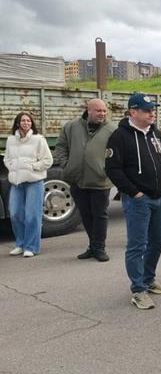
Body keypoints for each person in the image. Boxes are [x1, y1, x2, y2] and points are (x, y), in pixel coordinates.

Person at [106, 93, 161, 310]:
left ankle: (148, 278)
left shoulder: (155, 133)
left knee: (157, 241)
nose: (152, 114)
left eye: (153, 109)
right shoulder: (119, 136)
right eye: (147, 110)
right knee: (137, 245)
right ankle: (138, 289)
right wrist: (134, 192)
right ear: (133, 112)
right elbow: (113, 169)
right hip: (138, 201)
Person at [53, 99, 117, 262]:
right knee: (86, 215)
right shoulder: (71, 127)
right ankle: (93, 246)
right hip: (77, 179)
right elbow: (61, 146)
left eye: (104, 111)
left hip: (100, 180)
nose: (102, 114)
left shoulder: (112, 129)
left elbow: (118, 153)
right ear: (88, 110)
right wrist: (66, 165)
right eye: (98, 111)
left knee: (99, 215)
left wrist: (106, 170)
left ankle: (99, 248)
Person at [4, 112, 53, 258]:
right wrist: (13, 167)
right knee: (15, 214)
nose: (26, 123)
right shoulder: (11, 140)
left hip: (34, 182)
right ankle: (20, 244)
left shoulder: (38, 139)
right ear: (17, 123)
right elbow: (7, 159)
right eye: (23, 120)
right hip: (16, 182)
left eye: (28, 121)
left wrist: (32, 167)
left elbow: (48, 160)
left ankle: (31, 247)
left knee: (32, 215)